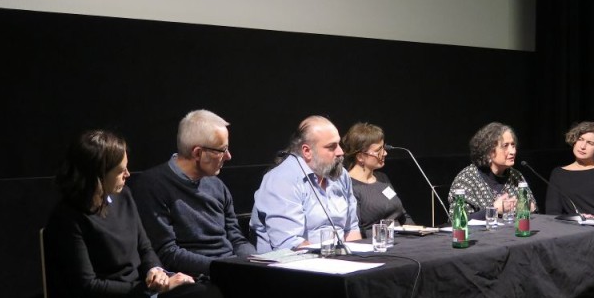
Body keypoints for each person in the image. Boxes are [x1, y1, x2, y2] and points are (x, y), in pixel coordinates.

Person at [44, 130, 224, 298]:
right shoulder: (68, 218)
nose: (128, 174)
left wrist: (156, 271)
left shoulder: (123, 196)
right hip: (117, 297)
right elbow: (87, 286)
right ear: (99, 175)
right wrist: (148, 291)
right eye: (120, 170)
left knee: (209, 293)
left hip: (141, 290)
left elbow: (144, 247)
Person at [132, 110, 255, 277]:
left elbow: (236, 238)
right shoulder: (153, 186)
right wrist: (224, 268)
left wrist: (254, 262)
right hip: (194, 278)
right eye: (222, 150)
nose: (228, 156)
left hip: (228, 271)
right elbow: (167, 253)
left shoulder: (217, 185)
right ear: (197, 153)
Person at [250, 115, 362, 253]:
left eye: (339, 144)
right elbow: (290, 243)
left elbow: (351, 229)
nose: (340, 152)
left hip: (337, 261)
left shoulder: (341, 175)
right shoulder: (282, 179)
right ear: (307, 151)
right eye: (331, 147)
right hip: (293, 266)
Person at [448, 122, 537, 221]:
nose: (513, 151)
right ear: (489, 151)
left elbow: (534, 210)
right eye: (505, 146)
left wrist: (528, 207)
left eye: (513, 145)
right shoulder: (466, 179)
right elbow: (457, 221)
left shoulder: (516, 176)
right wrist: (494, 210)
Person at [341, 122, 415, 237]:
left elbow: (403, 215)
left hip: (403, 241)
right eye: (378, 150)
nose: (385, 153)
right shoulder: (350, 186)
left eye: (383, 148)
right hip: (378, 244)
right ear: (360, 156)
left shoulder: (382, 178)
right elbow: (357, 230)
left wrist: (418, 234)